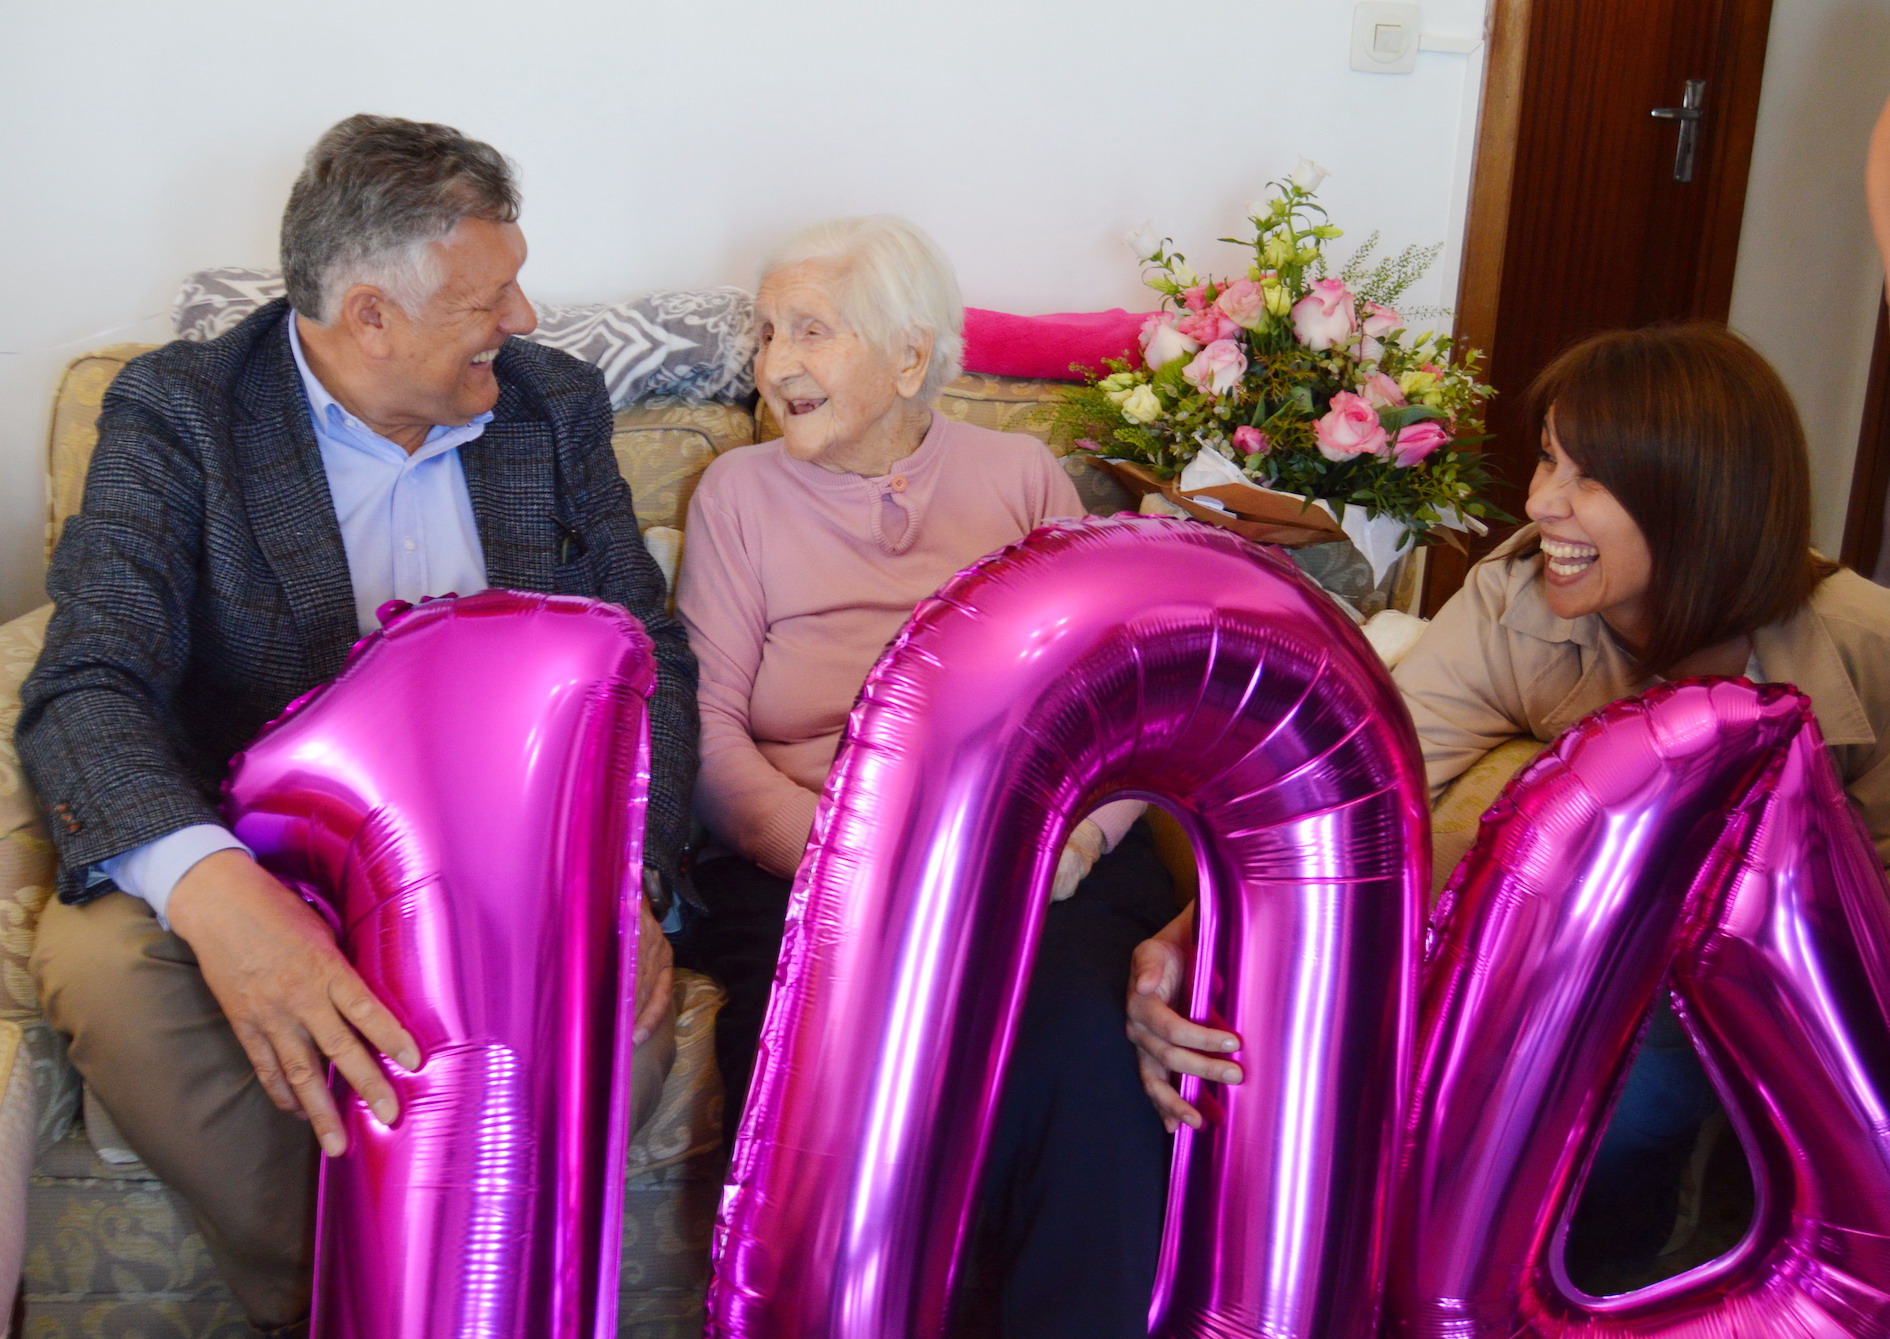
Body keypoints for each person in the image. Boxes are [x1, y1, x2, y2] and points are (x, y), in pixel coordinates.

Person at [18, 115, 697, 1336]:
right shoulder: (179, 413)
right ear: (370, 314)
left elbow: (650, 655)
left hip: (510, 871)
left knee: (610, 1021)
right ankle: (360, 1301)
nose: (528, 319)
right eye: (491, 297)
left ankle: (453, 1283)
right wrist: (217, 895)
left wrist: (630, 873)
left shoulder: (553, 406)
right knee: (104, 967)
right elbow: (87, 683)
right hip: (265, 851)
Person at [674, 214, 1177, 1338]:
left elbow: (1124, 697)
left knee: (1083, 1040)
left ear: (910, 357)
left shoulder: (1019, 475)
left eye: (812, 330)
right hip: (811, 863)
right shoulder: (738, 496)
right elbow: (705, 732)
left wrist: (1077, 846)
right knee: (823, 1053)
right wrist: (852, 865)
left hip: (1037, 854)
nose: (775, 364)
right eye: (765, 334)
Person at [1393, 322, 1890, 1281]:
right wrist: (1200, 928)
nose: (1540, 505)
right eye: (1546, 460)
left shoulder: (1864, 645)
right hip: (1596, 968)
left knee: (1636, 1098)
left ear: (1697, 499)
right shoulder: (1514, 605)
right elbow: (1373, 785)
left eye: (1588, 478)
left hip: (1796, 993)